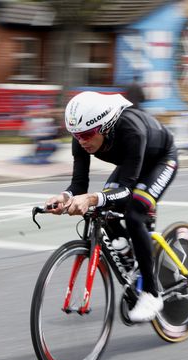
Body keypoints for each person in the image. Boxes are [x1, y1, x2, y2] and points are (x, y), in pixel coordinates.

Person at [44, 91, 178, 322]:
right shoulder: (83, 137)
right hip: (131, 163)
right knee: (106, 211)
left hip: (160, 160)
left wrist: (91, 198)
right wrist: (65, 197)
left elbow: (125, 190)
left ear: (106, 127)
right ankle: (130, 253)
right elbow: (79, 183)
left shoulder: (130, 130)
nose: (81, 141)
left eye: (86, 134)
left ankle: (152, 293)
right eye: (75, 135)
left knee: (135, 213)